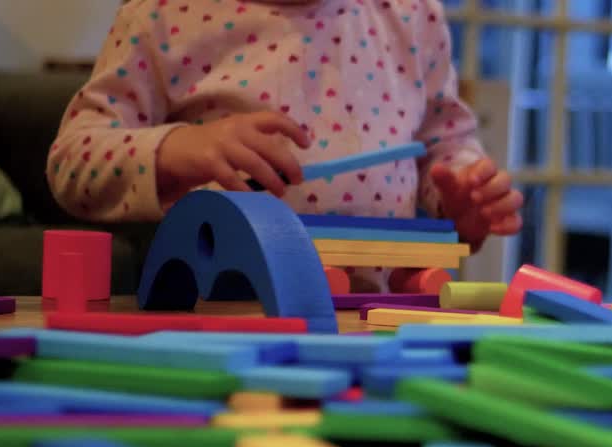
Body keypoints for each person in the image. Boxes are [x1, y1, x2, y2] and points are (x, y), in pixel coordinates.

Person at [47, 0, 522, 292]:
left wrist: (462, 198)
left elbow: (444, 141)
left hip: (382, 321)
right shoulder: (161, 15)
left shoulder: (410, 14)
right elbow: (72, 160)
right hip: (225, 320)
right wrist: (178, 147)